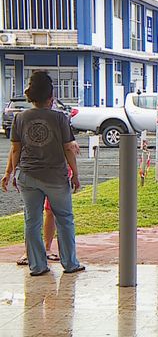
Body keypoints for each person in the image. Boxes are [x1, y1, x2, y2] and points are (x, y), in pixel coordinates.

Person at [5, 71, 84, 276]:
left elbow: (15, 149)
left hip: (28, 176)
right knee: (64, 218)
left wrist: (12, 173)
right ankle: (70, 263)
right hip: (56, 177)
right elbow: (68, 148)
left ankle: (38, 266)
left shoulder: (19, 118)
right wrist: (75, 174)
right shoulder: (60, 118)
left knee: (32, 221)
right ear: (51, 97)